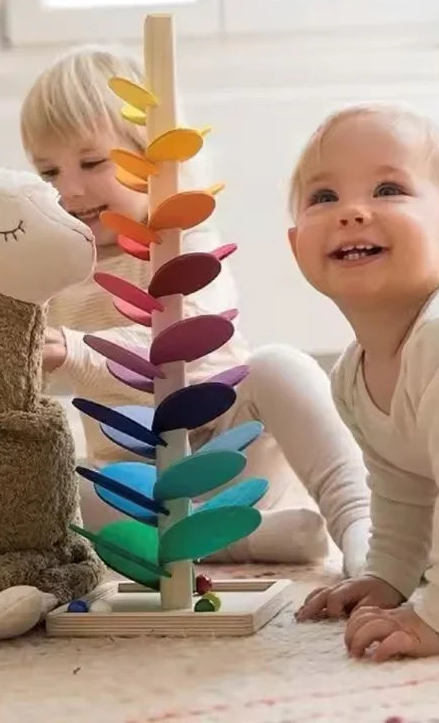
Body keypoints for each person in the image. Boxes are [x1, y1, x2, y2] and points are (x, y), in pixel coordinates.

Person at [19, 44, 371, 574]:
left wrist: (75, 349)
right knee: (48, 486)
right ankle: (240, 540)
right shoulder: (56, 271)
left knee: (280, 366)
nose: (70, 189)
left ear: (151, 155)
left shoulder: (185, 239)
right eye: (48, 173)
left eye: (92, 162)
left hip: (230, 450)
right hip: (140, 485)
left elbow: (191, 356)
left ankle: (358, 520)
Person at [290, 102, 439, 661]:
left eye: (388, 189)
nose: (352, 212)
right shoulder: (351, 376)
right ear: (295, 247)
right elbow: (404, 488)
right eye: (324, 197)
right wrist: (389, 577)